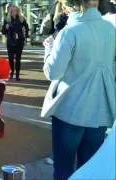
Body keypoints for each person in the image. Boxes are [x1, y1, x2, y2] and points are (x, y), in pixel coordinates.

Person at [41, 0, 116, 179]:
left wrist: (49, 48)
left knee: (63, 170)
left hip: (70, 110)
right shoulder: (110, 30)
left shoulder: (70, 32)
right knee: (89, 172)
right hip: (100, 112)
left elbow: (53, 72)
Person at [2, 5, 29, 81]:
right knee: (10, 58)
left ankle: (17, 75)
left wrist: (25, 36)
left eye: (16, 10)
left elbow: (27, 28)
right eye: (12, 11)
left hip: (19, 41)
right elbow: (3, 31)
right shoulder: (7, 20)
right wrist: (6, 28)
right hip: (10, 41)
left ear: (18, 11)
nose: (14, 12)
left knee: (18, 59)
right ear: (10, 11)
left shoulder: (21, 19)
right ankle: (12, 72)